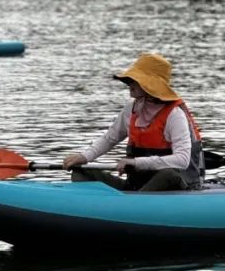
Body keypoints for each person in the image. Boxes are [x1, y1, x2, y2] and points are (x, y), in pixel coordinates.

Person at [62, 53, 205, 191]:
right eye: (130, 79)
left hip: (175, 186)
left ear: (151, 86)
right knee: (80, 172)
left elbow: (182, 160)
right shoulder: (131, 108)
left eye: (135, 80)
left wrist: (136, 163)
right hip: (138, 186)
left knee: (168, 174)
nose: (130, 83)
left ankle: (134, 204)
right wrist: (85, 156)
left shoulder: (175, 115)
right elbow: (110, 138)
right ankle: (129, 201)